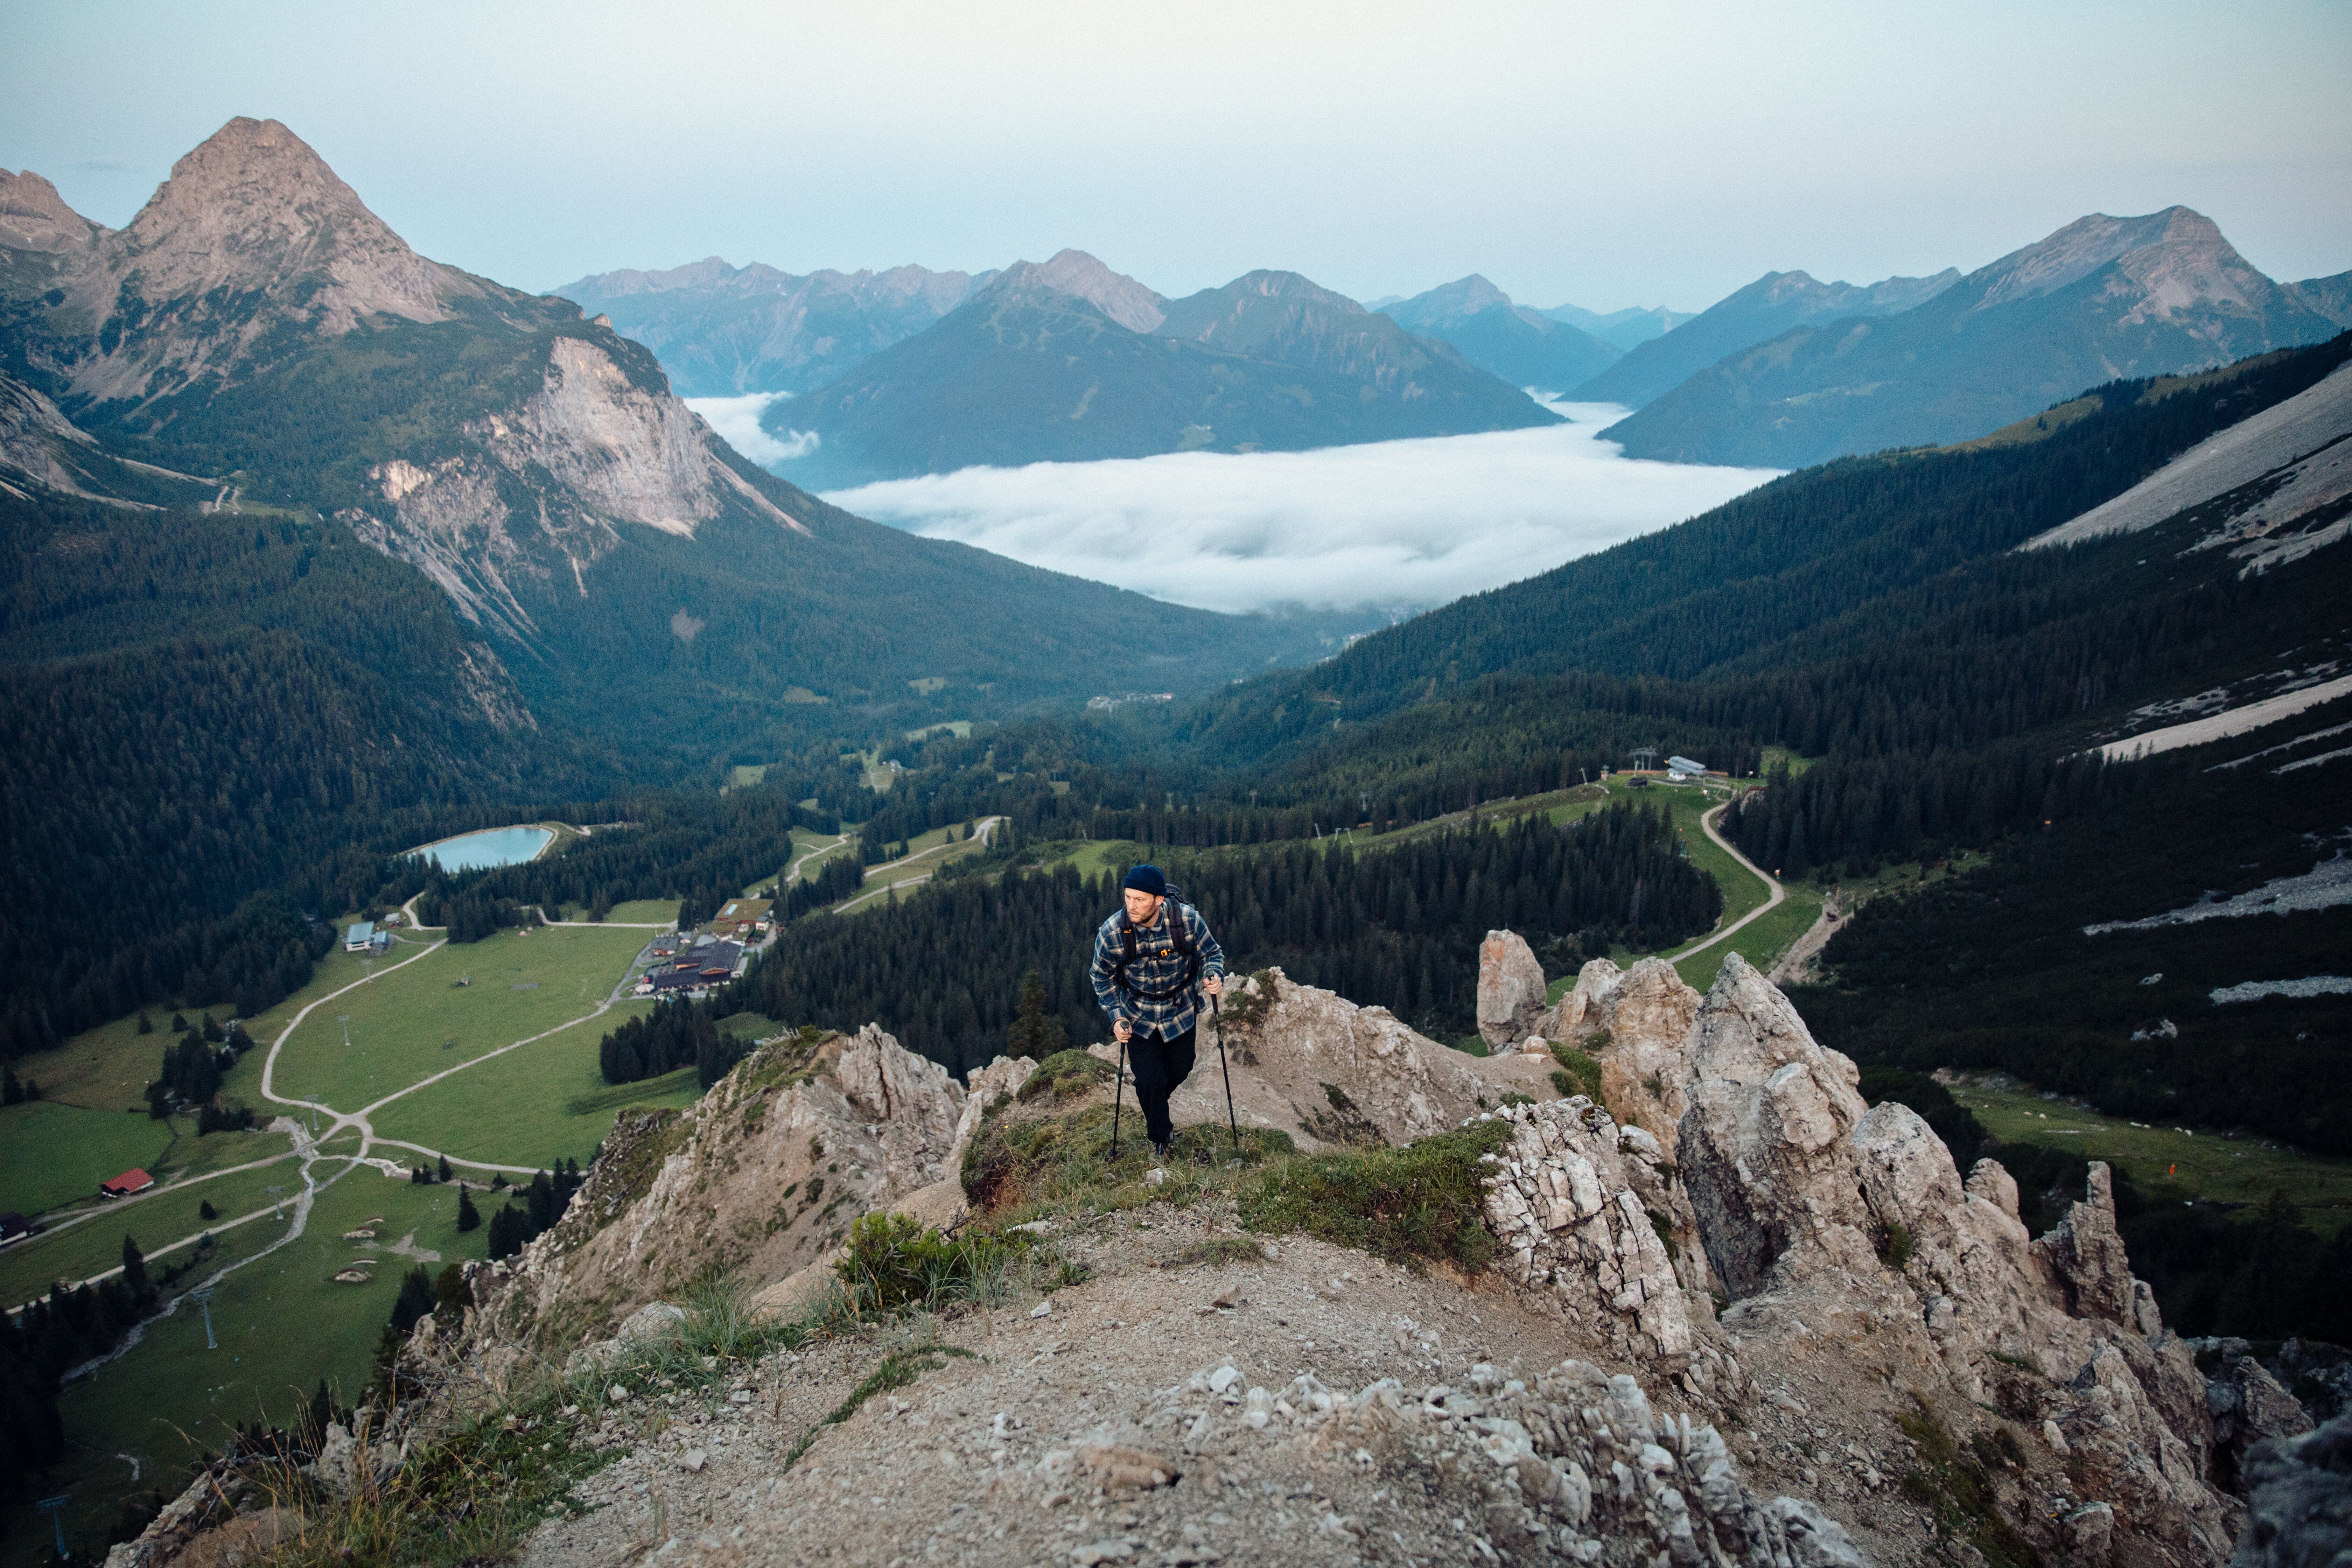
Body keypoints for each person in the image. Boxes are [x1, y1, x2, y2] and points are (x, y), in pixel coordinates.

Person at [1088, 864, 1226, 1159]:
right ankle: (1162, 1138)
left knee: (1181, 1068)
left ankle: (1153, 1104)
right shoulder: (1113, 932)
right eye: (1127, 897)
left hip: (1180, 1009)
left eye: (1140, 899)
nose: (1132, 906)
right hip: (1136, 1015)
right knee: (1148, 1080)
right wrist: (1115, 1014)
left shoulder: (1187, 921)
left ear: (1159, 900)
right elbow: (1101, 976)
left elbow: (1211, 953)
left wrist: (1214, 974)